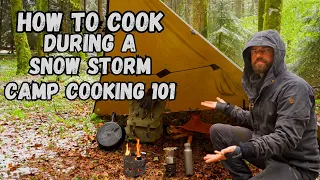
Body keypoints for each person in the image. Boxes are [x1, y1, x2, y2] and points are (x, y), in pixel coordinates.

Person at [201, 30, 320, 180]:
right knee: (218, 131)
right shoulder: (261, 84)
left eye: (265, 50)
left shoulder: (294, 88)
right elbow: (257, 119)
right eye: (254, 51)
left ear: (277, 54)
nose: (259, 55)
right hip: (271, 154)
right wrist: (227, 108)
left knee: (244, 148)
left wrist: (243, 150)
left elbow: (286, 137)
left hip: (296, 165)